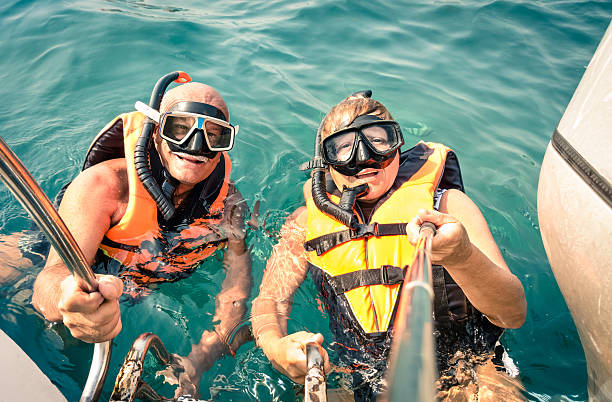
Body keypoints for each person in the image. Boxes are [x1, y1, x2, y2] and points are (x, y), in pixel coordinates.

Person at [251, 91, 527, 400]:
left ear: (397, 145)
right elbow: (270, 302)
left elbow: (512, 314)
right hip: (360, 377)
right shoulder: (303, 225)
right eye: (343, 148)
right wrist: (277, 348)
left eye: (378, 140)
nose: (365, 156)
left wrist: (462, 257)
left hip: (469, 369)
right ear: (326, 165)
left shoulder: (447, 207)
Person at [31, 72, 252, 395]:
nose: (195, 146)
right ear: (157, 129)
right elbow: (51, 277)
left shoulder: (230, 204)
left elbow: (236, 286)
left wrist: (202, 357)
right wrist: (66, 299)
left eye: (214, 136)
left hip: (138, 286)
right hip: (44, 257)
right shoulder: (105, 186)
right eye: (180, 127)